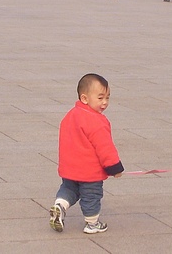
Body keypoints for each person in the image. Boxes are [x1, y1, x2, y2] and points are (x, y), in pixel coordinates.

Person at [49, 73, 124, 235]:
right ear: (84, 98)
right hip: (90, 171)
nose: (105, 102)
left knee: (69, 189)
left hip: (69, 169)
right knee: (92, 195)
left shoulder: (70, 116)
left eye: (108, 98)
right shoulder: (97, 121)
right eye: (100, 98)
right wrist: (114, 167)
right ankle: (92, 224)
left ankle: (60, 206)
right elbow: (105, 147)